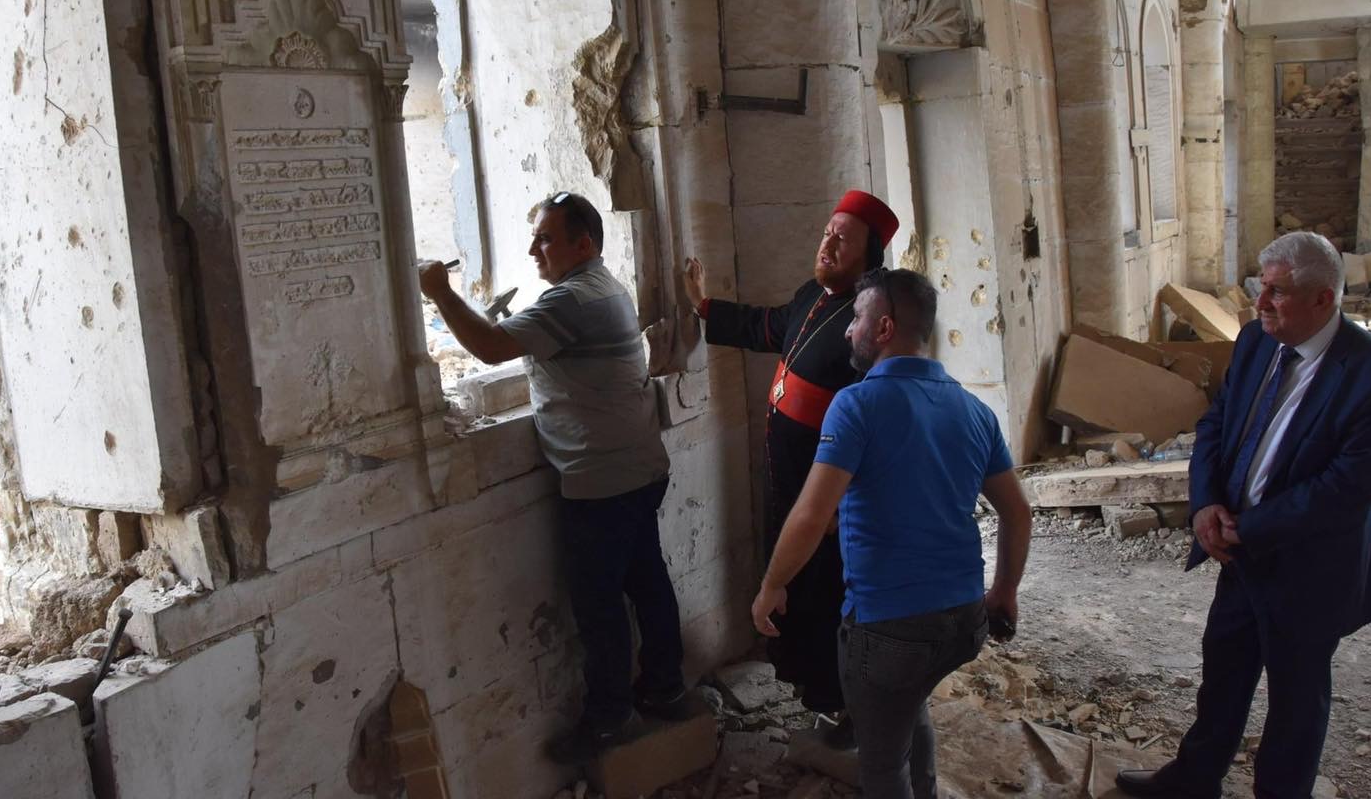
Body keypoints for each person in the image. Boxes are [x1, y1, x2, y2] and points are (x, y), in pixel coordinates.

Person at [1116, 231, 1371, 799]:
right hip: (1239, 552)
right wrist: (1206, 504)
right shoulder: (1256, 340)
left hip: (1310, 568)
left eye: (1276, 291)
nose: (1260, 303)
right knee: (1223, 673)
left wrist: (1243, 529)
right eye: (1261, 287)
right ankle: (1194, 780)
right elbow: (1216, 425)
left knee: (1296, 702)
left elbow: (1341, 492)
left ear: (1322, 299)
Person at [417, 192, 684, 761]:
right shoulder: (604, 286)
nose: (533, 250)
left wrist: (440, 292)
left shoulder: (573, 298)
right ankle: (665, 688)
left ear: (583, 244)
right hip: (637, 466)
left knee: (599, 606)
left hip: (603, 481)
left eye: (545, 239)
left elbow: (489, 348)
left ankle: (610, 720)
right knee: (647, 582)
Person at [750, 267, 1033, 799]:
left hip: (888, 629)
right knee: (909, 702)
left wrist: (772, 585)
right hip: (964, 621)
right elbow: (1017, 513)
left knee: (882, 768)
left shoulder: (856, 404)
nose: (846, 329)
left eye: (856, 317)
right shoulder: (973, 409)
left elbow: (811, 515)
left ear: (883, 328)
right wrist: (1005, 592)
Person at [684, 190, 899, 727]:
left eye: (844, 239)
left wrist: (846, 498)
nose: (828, 244)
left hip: (828, 496)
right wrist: (705, 307)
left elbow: (880, 415)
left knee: (826, 592)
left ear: (869, 256)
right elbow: (768, 326)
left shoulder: (869, 321)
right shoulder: (812, 295)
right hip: (787, 478)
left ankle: (843, 703)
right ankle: (808, 685)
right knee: (792, 587)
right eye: (828, 232)